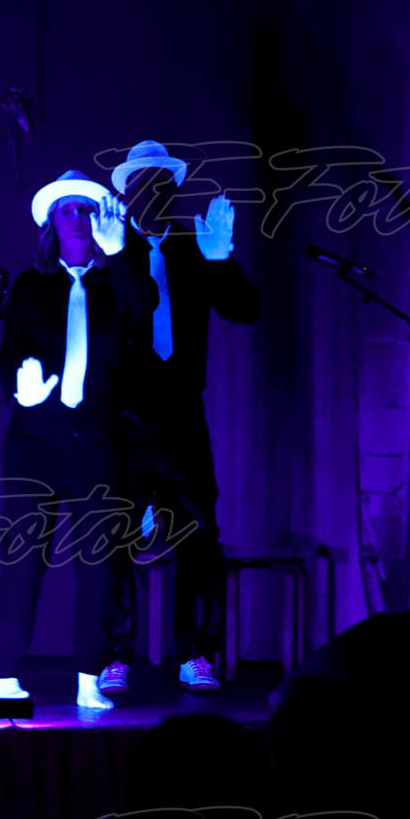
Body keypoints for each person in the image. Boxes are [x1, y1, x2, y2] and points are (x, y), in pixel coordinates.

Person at [0, 169, 154, 710]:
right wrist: (22, 390)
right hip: (36, 440)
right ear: (51, 225)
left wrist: (120, 252)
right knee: (23, 561)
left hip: (96, 439)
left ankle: (88, 676)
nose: (78, 219)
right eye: (66, 211)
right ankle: (5, 677)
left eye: (86, 209)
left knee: (98, 567)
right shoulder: (31, 286)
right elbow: (10, 354)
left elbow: (143, 306)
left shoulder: (117, 283)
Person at [109, 140, 259, 692]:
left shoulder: (194, 245)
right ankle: (115, 654)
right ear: (128, 193)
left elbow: (244, 309)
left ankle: (194, 652)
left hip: (182, 415)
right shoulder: (111, 246)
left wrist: (220, 260)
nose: (155, 193)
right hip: (123, 418)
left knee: (198, 532)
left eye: (164, 184)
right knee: (117, 538)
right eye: (144, 184)